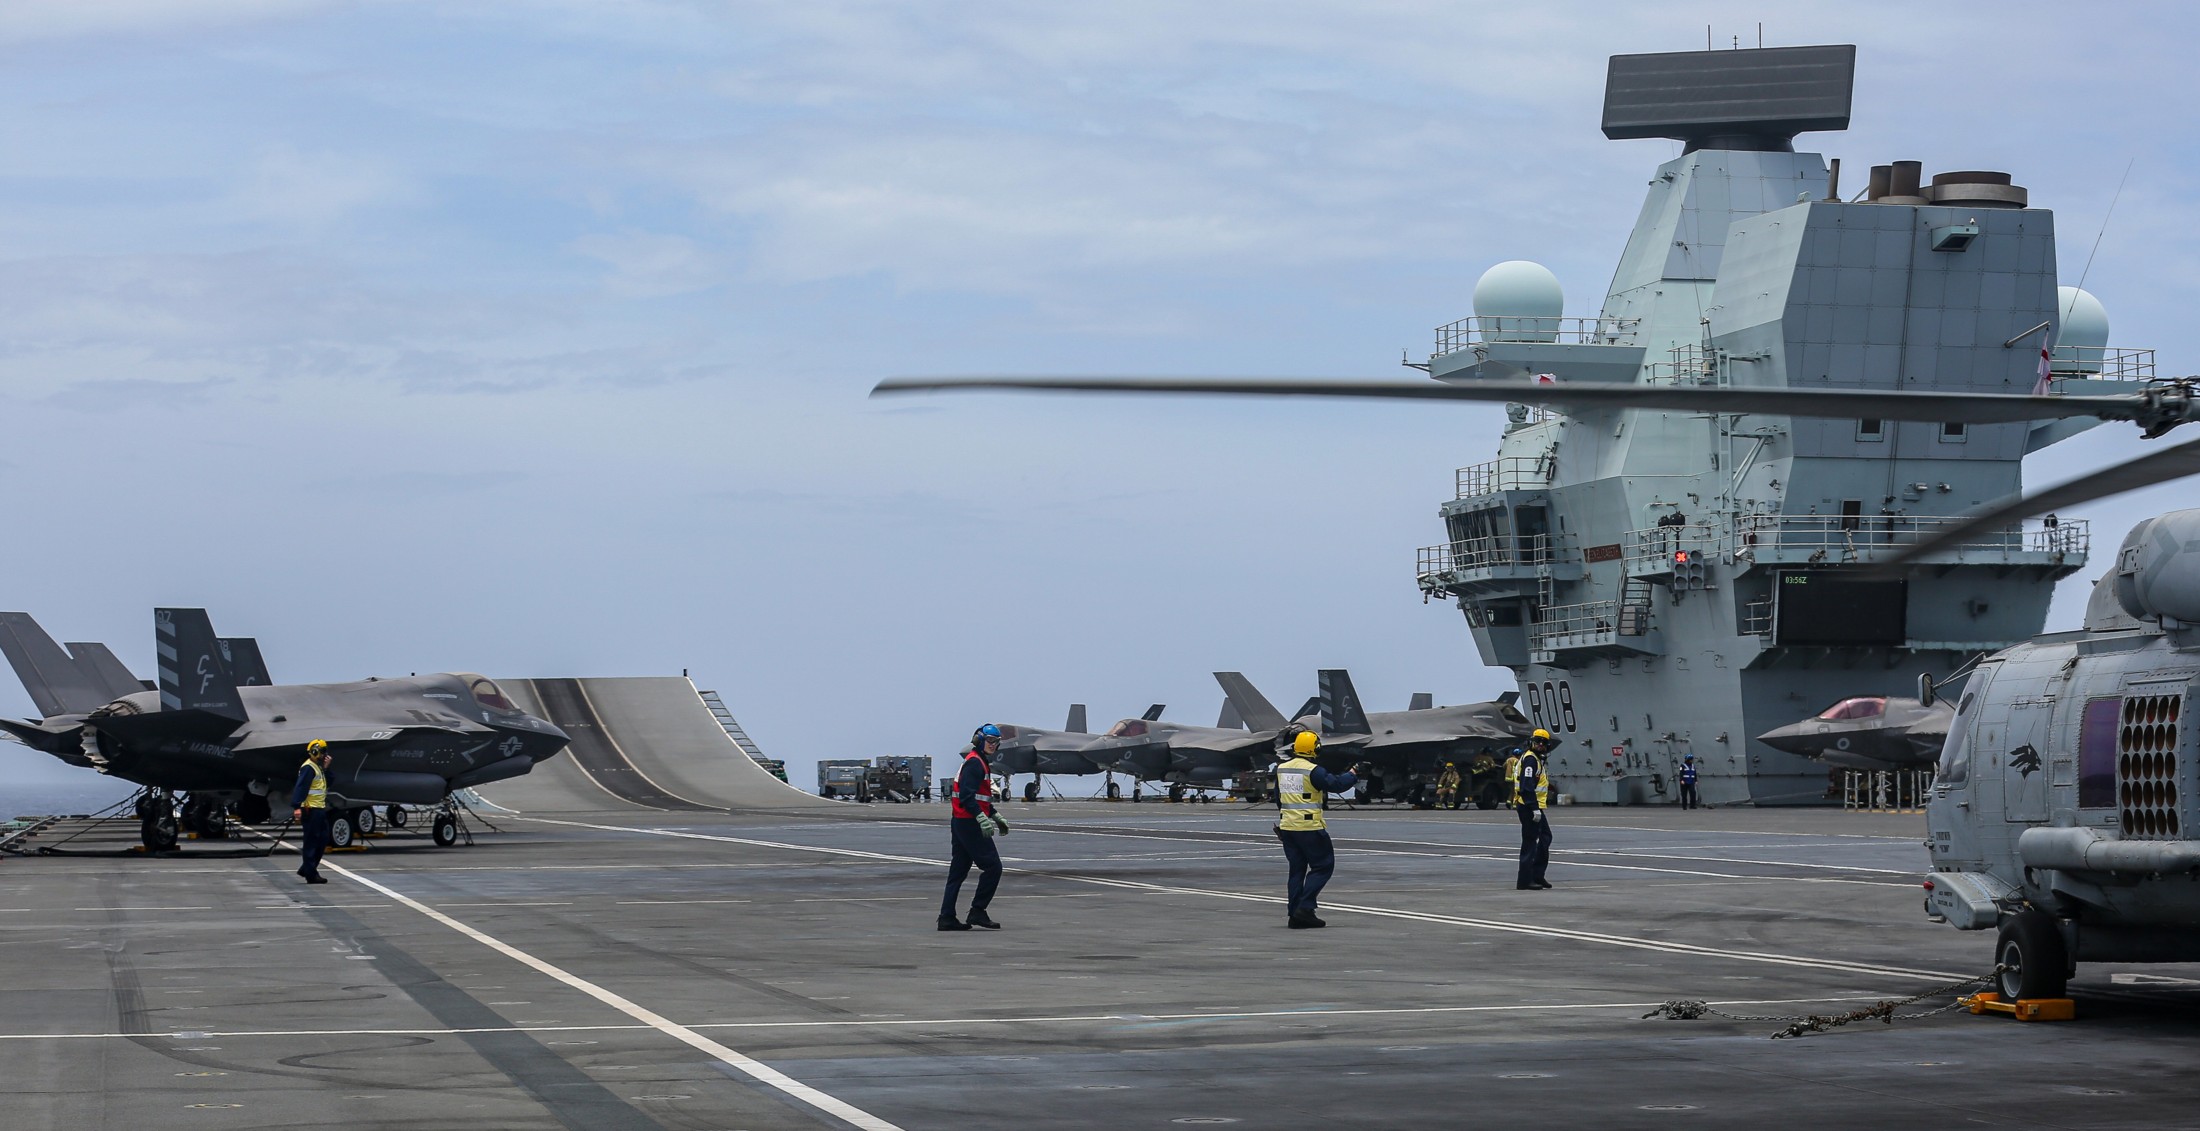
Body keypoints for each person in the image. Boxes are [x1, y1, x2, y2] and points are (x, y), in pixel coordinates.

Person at [1273, 731, 1365, 928]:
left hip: (1288, 827)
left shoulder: (1281, 769)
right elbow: (1337, 785)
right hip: (1309, 827)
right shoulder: (1313, 770)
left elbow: (1278, 799)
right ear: (1315, 749)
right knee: (1323, 866)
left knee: (1296, 871)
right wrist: (1353, 773)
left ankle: (1294, 915)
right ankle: (1305, 908)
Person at [939, 724, 1008, 931]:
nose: (993, 745)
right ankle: (977, 911)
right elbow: (967, 797)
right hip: (969, 823)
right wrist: (981, 818)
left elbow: (981, 796)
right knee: (994, 867)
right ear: (979, 740)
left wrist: (994, 814)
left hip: (961, 822)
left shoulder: (978, 762)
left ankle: (946, 917)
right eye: (990, 741)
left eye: (996, 742)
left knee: (958, 872)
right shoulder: (975, 764)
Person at [1513, 729, 1555, 890]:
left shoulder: (1536, 760)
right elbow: (1526, 786)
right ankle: (1524, 881)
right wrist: (1534, 808)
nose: (1540, 745)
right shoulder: (1531, 760)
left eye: (1543, 743)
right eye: (1537, 741)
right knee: (1530, 843)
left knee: (1545, 838)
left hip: (1533, 806)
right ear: (1532, 742)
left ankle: (1537, 875)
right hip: (1529, 806)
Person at [289, 739, 335, 884]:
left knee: (322, 840)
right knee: (311, 842)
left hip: (319, 809)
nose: (324, 755)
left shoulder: (318, 768)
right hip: (311, 810)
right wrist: (297, 806)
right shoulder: (308, 768)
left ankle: (307, 868)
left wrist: (327, 768)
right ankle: (311, 874)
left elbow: (328, 783)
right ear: (314, 751)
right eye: (322, 752)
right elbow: (301, 787)